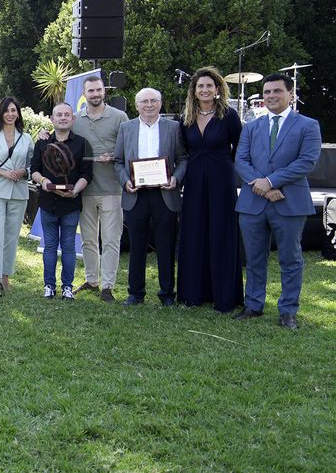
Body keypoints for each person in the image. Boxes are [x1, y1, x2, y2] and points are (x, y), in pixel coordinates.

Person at [234, 73, 321, 329]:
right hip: (253, 204)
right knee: (254, 258)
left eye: (277, 91)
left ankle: (288, 311)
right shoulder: (251, 127)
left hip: (290, 202)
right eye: (267, 92)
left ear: (291, 94)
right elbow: (241, 161)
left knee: (291, 258)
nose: (271, 96)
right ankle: (254, 305)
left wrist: (270, 182)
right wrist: (263, 187)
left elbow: (306, 162)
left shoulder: (308, 125)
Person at [177, 67, 243, 312]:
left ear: (217, 90)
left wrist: (226, 165)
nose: (204, 90)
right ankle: (192, 294)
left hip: (221, 179)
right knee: (193, 232)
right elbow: (181, 152)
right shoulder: (186, 117)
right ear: (193, 91)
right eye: (200, 86)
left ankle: (224, 296)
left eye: (209, 86)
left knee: (221, 233)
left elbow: (241, 147)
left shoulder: (229, 115)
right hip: (194, 180)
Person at [114, 88, 188, 307]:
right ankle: (135, 293)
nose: (148, 105)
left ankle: (167, 294)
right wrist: (125, 181)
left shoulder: (174, 127)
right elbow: (118, 161)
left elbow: (183, 158)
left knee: (165, 245)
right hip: (135, 194)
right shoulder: (126, 128)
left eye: (153, 101)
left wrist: (175, 178)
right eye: (144, 101)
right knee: (137, 246)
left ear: (160, 103)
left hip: (164, 193)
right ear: (136, 106)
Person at [70, 75, 128, 302]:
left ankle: (108, 286)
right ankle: (92, 280)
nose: (95, 94)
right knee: (87, 239)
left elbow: (129, 148)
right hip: (85, 189)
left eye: (98, 90)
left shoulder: (119, 117)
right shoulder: (76, 119)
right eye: (91, 91)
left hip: (112, 188)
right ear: (84, 94)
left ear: (105, 91)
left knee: (111, 239)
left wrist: (113, 156)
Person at [30, 103, 93, 299]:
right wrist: (44, 180)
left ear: (73, 119)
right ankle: (49, 285)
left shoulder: (82, 143)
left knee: (67, 246)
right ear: (52, 119)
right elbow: (34, 170)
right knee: (49, 246)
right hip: (48, 202)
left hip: (71, 203)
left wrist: (76, 190)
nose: (63, 118)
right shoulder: (42, 142)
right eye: (59, 115)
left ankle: (67, 287)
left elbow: (87, 174)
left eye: (67, 115)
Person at [0, 97, 33, 297]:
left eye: (14, 110)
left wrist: (23, 172)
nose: (10, 114)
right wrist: (2, 173)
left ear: (18, 113)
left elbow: (32, 165)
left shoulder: (26, 138)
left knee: (11, 237)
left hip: (19, 192)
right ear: (0, 113)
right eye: (6, 110)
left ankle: (5, 275)